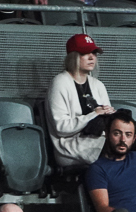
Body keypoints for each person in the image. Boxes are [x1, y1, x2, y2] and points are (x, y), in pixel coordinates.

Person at [45, 33, 112, 172]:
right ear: (73, 56)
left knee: (130, 144)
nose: (91, 57)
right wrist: (94, 114)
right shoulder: (60, 82)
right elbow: (61, 128)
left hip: (97, 140)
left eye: (94, 53)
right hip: (69, 147)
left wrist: (111, 115)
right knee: (121, 150)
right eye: (85, 53)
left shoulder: (98, 85)